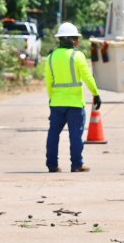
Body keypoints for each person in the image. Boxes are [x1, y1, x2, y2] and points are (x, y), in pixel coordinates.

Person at [43, 22, 101, 173]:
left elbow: (48, 82)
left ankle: (52, 165)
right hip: (75, 103)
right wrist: (95, 93)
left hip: (56, 103)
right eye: (77, 38)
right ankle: (76, 164)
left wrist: (52, 99)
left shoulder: (50, 58)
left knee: (53, 134)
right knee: (75, 135)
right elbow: (88, 77)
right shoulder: (78, 56)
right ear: (73, 40)